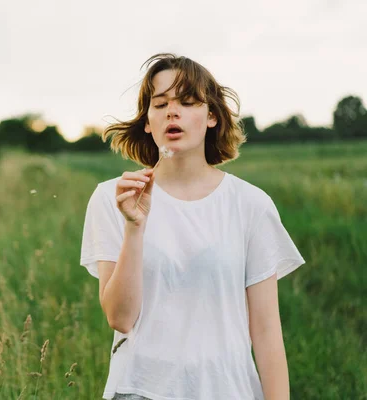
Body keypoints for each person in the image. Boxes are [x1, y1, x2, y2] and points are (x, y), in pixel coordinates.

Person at [80, 53, 306, 400]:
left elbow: (266, 331)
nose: (173, 111)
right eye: (161, 104)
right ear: (147, 121)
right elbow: (120, 318)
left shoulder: (250, 204)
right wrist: (134, 227)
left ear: (212, 116)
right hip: (140, 390)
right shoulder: (113, 198)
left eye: (187, 102)